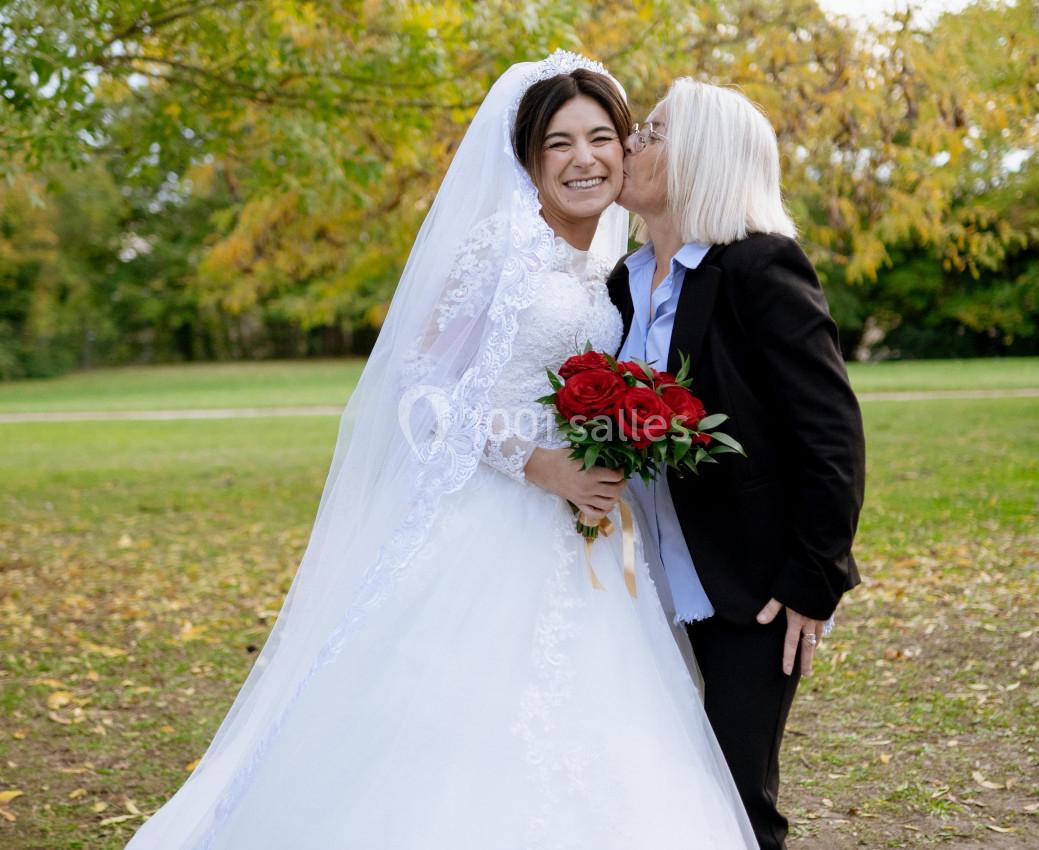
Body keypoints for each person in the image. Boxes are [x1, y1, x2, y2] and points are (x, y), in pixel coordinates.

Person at [123, 53, 760, 850]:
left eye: (602, 137)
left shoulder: (619, 266)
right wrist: (539, 464)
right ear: (527, 160)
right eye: (558, 144)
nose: (584, 159)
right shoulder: (499, 246)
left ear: (628, 148)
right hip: (492, 518)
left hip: (589, 532)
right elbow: (420, 385)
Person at [610, 77, 867, 850]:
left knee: (732, 799)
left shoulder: (761, 269)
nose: (629, 144)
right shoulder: (621, 284)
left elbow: (832, 437)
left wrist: (812, 581)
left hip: (748, 588)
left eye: (650, 132)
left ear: (699, 158)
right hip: (633, 582)